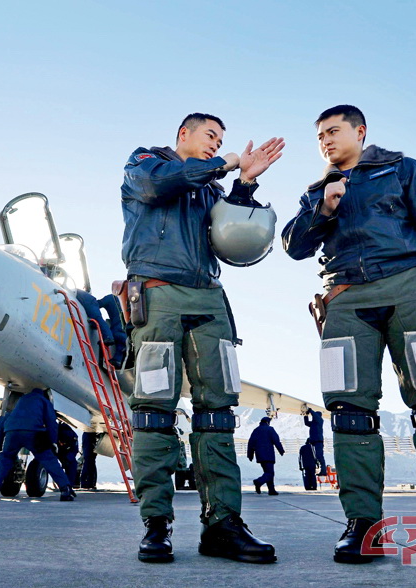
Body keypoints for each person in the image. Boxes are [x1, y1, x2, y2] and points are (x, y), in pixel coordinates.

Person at [282, 104, 416, 565]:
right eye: (319, 136)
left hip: (410, 289)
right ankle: (363, 526)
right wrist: (323, 207)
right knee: (349, 412)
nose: (326, 141)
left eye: (333, 131)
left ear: (360, 131)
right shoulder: (316, 191)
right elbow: (295, 246)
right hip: (343, 301)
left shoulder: (401, 169)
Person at [121, 112, 284, 564]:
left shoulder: (211, 189)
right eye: (210, 136)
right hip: (157, 294)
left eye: (221, 140)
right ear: (183, 134)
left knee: (218, 411)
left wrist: (245, 186)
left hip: (209, 300)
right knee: (154, 409)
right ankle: (157, 524)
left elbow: (229, 239)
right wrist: (226, 163)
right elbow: (158, 186)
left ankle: (223, 524)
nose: (216, 144)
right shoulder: (145, 163)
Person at [0, 388, 76, 501]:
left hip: (12, 432)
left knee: (5, 458)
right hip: (32, 432)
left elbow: (4, 419)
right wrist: (52, 442)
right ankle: (65, 490)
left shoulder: (20, 401)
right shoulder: (43, 401)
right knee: (48, 459)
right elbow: (51, 422)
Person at [246, 417, 285, 495]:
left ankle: (271, 490)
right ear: (267, 422)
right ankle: (258, 482)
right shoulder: (270, 429)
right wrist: (281, 450)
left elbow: (251, 443)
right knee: (270, 473)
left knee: (267, 472)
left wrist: (250, 455)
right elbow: (276, 440)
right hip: (268, 454)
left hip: (259, 455)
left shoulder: (256, 430)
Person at [304, 409, 328, 476]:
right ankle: (319, 470)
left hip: (318, 442)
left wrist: (310, 411)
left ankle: (323, 471)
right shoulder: (313, 423)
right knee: (315, 457)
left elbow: (316, 416)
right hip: (313, 442)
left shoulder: (320, 421)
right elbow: (306, 423)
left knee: (319, 456)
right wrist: (305, 415)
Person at [57, 421, 80, 488]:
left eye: (63, 443)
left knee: (72, 464)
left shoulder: (72, 438)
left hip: (66, 451)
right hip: (55, 448)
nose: (62, 444)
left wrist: (67, 459)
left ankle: (68, 485)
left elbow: (74, 451)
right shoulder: (54, 433)